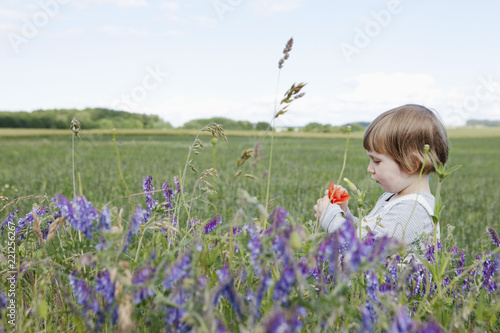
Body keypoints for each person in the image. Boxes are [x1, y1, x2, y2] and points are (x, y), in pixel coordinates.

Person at [313, 104, 449, 252]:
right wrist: (345, 215)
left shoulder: (412, 210)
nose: (369, 168)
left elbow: (364, 249)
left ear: (412, 163)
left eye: (377, 161)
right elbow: (368, 235)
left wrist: (331, 218)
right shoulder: (393, 197)